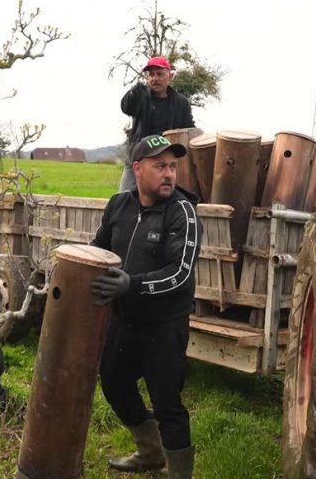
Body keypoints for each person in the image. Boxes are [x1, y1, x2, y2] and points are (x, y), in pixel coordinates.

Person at [90, 134, 202, 478]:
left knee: (167, 403)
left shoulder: (183, 212)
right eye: (160, 166)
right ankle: (150, 452)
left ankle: (180, 473)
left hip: (164, 326)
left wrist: (131, 283)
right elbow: (98, 249)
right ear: (138, 169)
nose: (169, 174)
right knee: (113, 384)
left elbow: (180, 273)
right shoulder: (118, 206)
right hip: (123, 321)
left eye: (173, 166)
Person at [119, 56, 195, 192]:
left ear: (170, 76)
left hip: (166, 163)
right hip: (139, 160)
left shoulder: (181, 103)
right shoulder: (141, 97)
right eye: (151, 74)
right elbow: (126, 107)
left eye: (159, 74)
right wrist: (135, 92)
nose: (155, 78)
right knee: (124, 201)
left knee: (169, 204)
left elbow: (189, 129)